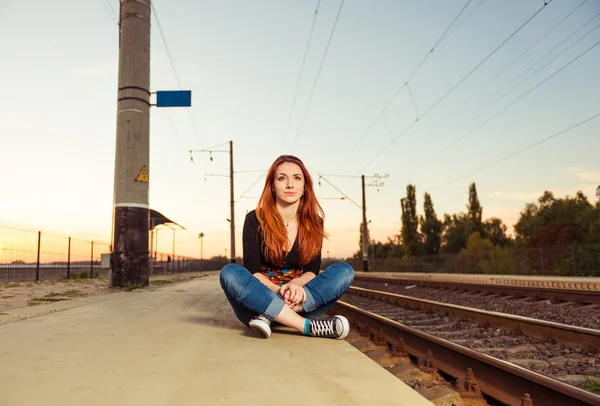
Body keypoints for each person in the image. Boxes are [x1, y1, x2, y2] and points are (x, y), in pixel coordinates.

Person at [219, 155, 354, 339]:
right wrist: (280, 293)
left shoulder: (314, 222)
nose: (290, 184)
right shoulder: (254, 219)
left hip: (300, 301)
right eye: (282, 178)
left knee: (345, 271)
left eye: (297, 178)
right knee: (229, 273)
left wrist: (296, 286)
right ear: (272, 186)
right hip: (257, 302)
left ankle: (270, 315)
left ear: (305, 186)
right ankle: (305, 326)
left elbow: (311, 271)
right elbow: (253, 271)